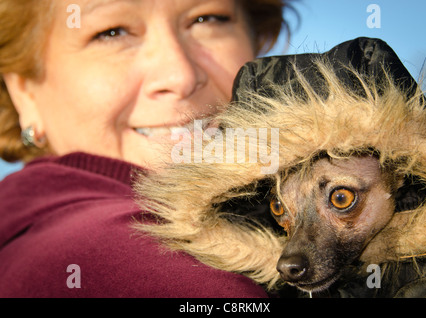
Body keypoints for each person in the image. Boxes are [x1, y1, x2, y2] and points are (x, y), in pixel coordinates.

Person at [0, 0, 298, 297]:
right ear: (24, 92)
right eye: (112, 32)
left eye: (208, 19)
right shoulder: (154, 271)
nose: (181, 76)